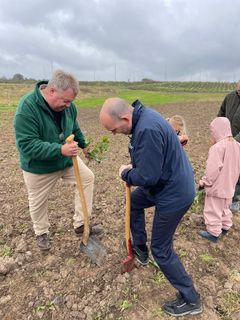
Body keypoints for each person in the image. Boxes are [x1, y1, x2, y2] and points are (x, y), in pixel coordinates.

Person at [99, 98, 202, 317]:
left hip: (174, 193)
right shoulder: (143, 118)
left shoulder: (146, 129)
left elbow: (147, 176)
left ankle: (191, 299)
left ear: (125, 118)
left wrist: (126, 173)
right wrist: (134, 166)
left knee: (162, 250)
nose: (115, 134)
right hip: (166, 183)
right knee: (134, 202)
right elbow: (149, 162)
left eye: (115, 130)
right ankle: (140, 250)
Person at [14, 69, 102, 251]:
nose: (69, 105)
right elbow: (27, 145)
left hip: (66, 160)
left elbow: (74, 128)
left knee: (87, 178)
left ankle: (81, 224)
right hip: (38, 167)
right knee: (38, 201)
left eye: (71, 101)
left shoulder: (68, 108)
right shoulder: (27, 108)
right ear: (52, 91)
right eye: (66, 101)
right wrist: (60, 149)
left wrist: (84, 145)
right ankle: (41, 232)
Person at [198, 117, 240, 242]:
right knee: (225, 207)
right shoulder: (237, 145)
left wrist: (204, 182)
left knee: (213, 209)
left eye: (212, 131)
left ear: (217, 130)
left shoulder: (217, 148)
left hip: (217, 187)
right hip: (230, 184)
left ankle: (214, 232)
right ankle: (226, 225)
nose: (212, 134)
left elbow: (212, 170)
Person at [218, 81, 240, 212]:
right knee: (223, 167)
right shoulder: (230, 97)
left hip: (237, 143)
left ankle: (236, 200)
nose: (238, 93)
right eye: (237, 90)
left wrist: (234, 141)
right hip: (225, 140)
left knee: (238, 171)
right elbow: (220, 115)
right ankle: (221, 194)